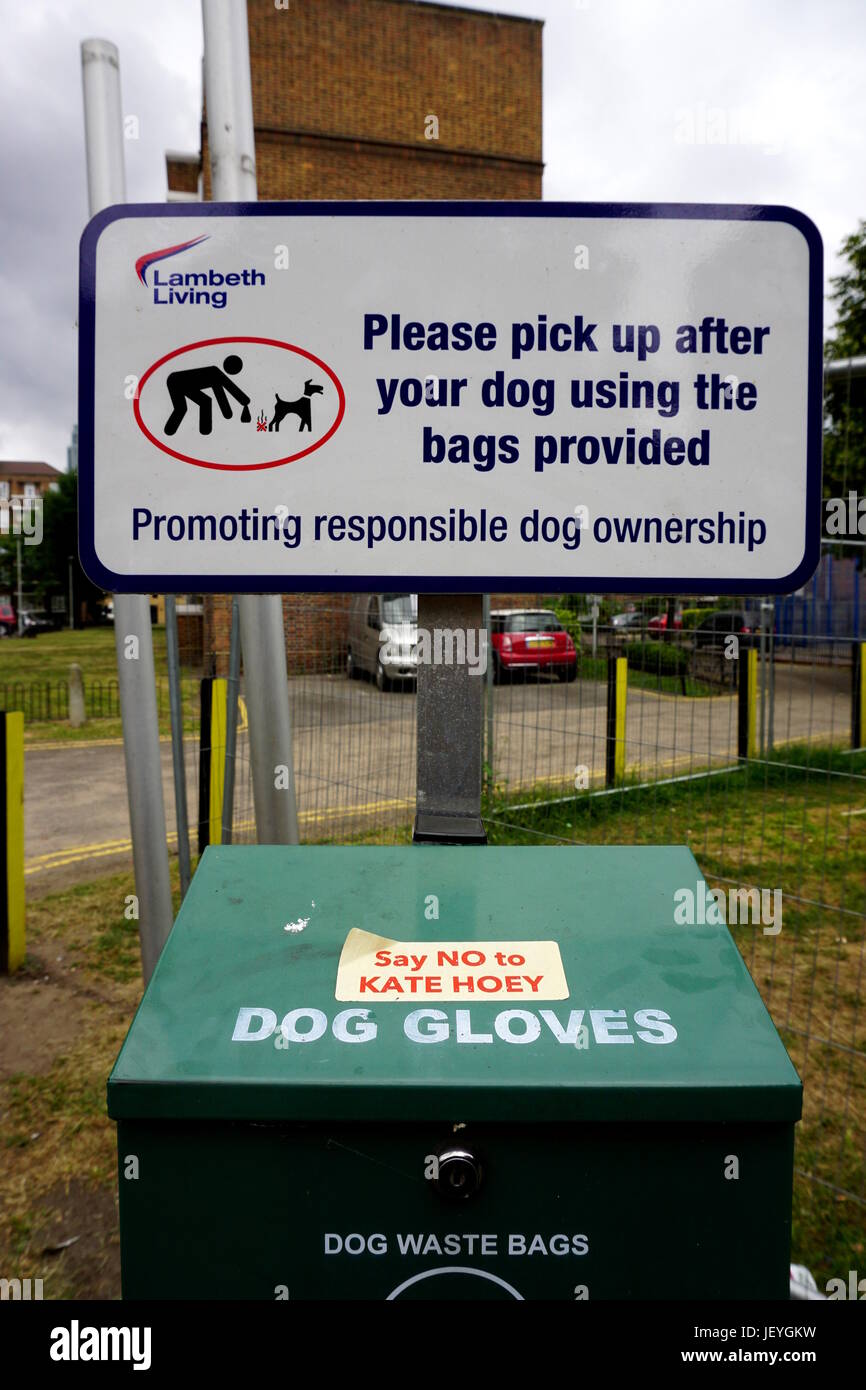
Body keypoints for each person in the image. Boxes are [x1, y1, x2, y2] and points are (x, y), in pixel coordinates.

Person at [163, 354, 251, 435]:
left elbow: (221, 390)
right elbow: (227, 387)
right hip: (177, 382)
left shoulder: (214, 374)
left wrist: (229, 411)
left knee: (202, 402)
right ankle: (171, 432)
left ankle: (203, 433)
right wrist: (244, 401)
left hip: (176, 381)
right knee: (182, 409)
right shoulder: (215, 373)